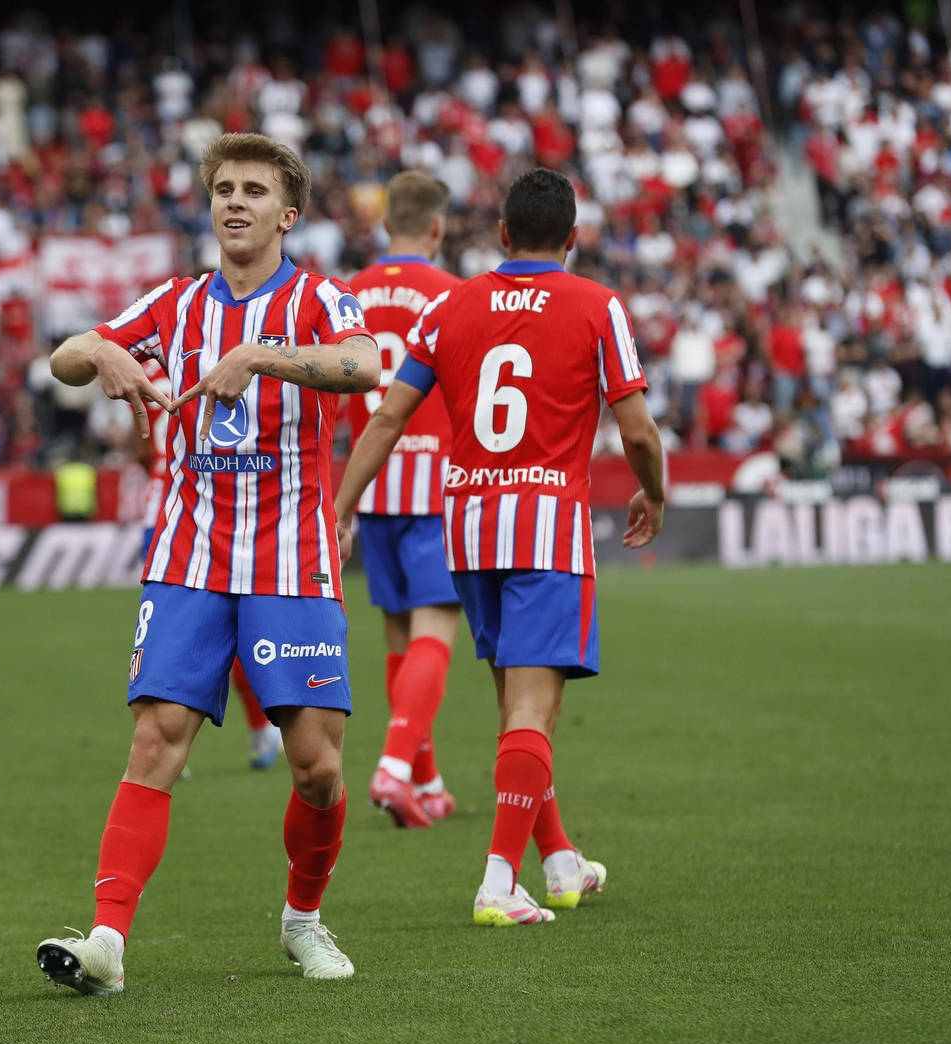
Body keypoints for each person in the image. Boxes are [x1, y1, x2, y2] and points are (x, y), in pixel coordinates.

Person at [36, 133, 381, 994]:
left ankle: (302, 919)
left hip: (291, 561)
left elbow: (366, 363)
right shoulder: (176, 301)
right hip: (189, 557)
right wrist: (104, 351)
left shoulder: (319, 298)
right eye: (225, 188)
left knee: (319, 769)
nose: (235, 202)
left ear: (287, 215)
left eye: (254, 191)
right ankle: (107, 941)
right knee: (155, 740)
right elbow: (63, 358)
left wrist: (260, 355)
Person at [337, 167, 665, 925]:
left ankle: (559, 862)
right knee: (531, 714)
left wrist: (342, 507)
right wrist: (654, 490)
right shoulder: (597, 305)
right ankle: (496, 881)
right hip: (547, 530)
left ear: (504, 234)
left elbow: (386, 418)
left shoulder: (452, 305)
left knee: (518, 710)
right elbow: (639, 430)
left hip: (468, 530)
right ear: (573, 239)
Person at [343, 171, 462, 828]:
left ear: (386, 223)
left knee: (399, 642)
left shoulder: (349, 294)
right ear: (438, 227)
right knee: (434, 635)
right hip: (436, 487)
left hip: (373, 486)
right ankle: (393, 768)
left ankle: (427, 780)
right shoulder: (452, 292)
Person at [133, 360, 281, 770]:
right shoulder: (214, 364)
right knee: (236, 627)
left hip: (161, 515)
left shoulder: (143, 374)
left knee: (169, 631)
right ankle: (259, 730)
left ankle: (165, 741)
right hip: (213, 508)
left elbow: (143, 449)